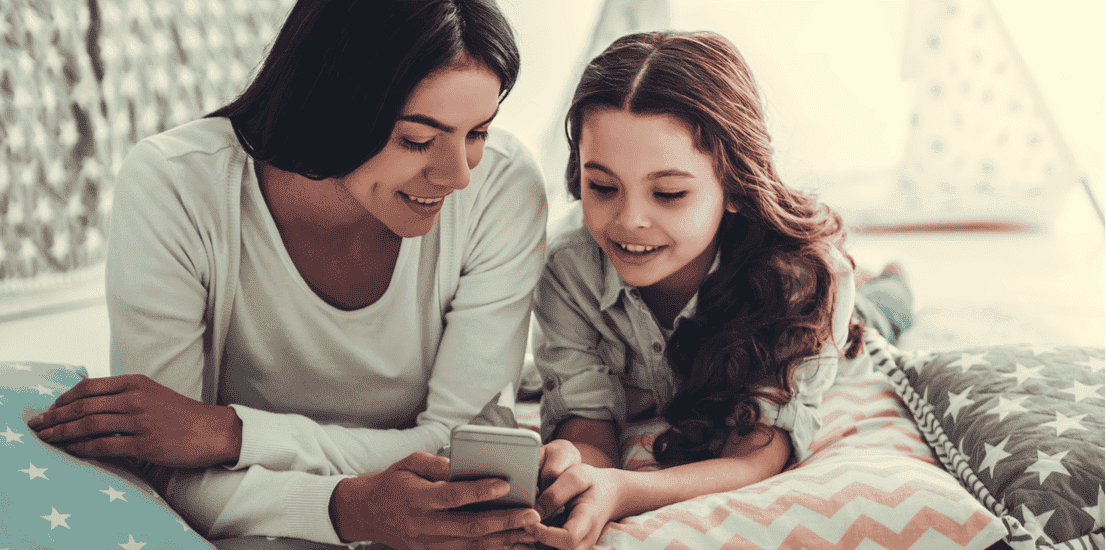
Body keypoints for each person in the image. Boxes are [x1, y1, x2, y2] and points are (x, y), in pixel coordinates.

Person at [25, 0, 564, 547]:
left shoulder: (503, 189)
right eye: (417, 140)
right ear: (331, 105)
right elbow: (163, 462)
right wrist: (346, 508)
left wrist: (230, 434)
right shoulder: (175, 186)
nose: (458, 176)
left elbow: (459, 453)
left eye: (478, 133)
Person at [527, 31, 911, 549]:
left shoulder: (805, 281)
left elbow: (759, 451)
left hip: (833, 313)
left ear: (733, 186)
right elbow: (587, 420)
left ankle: (890, 284)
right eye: (602, 187)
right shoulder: (567, 268)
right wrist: (580, 476)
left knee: (879, 318)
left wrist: (626, 489)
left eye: (668, 193)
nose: (629, 220)